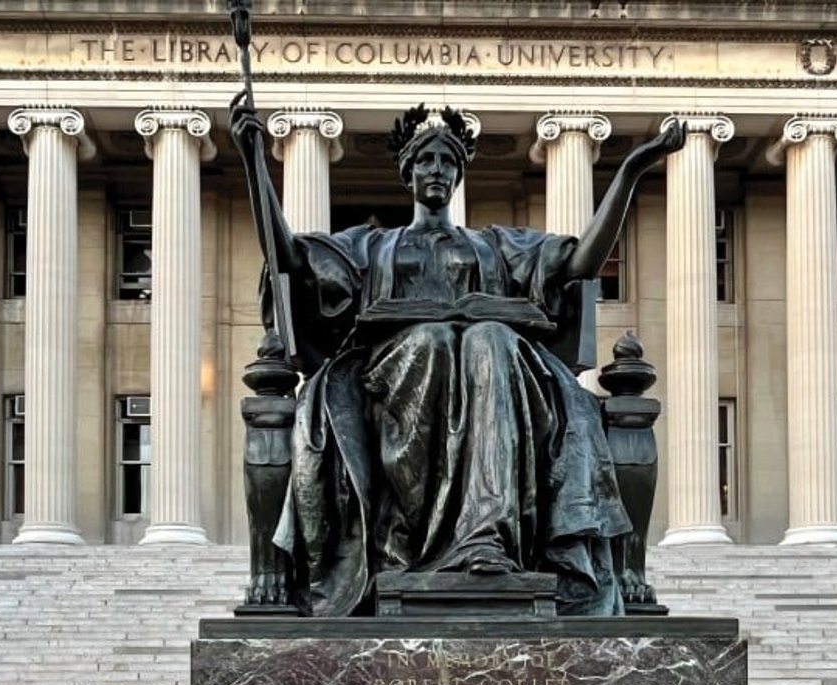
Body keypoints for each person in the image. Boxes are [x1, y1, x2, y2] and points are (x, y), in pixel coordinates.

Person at [229, 102, 685, 617]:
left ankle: (485, 538)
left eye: (447, 163)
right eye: (425, 162)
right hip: (391, 374)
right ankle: (421, 543)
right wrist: (253, 163)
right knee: (434, 341)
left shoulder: (494, 245)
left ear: (459, 174)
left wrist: (630, 171)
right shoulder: (371, 245)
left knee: (489, 338)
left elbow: (581, 262)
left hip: (495, 367)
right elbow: (289, 257)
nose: (436, 172)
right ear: (407, 172)